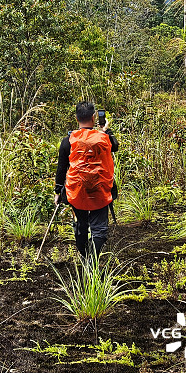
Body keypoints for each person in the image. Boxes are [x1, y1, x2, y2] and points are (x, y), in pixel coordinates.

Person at [54, 101, 118, 259]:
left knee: (81, 225)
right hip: (100, 189)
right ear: (94, 117)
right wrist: (106, 130)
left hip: (77, 190)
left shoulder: (67, 141)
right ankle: (93, 260)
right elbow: (114, 146)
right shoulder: (104, 138)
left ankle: (84, 256)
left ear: (76, 118)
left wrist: (57, 191)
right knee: (99, 228)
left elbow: (62, 167)